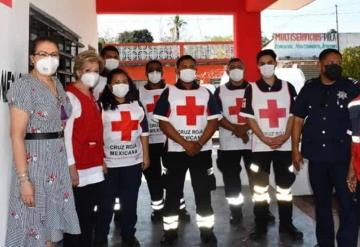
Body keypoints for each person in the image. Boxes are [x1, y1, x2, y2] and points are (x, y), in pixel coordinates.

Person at [5, 36, 80, 247]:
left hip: (56, 162)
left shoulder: (56, 83)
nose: (49, 59)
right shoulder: (23, 86)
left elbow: (63, 121)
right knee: (33, 224)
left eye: (54, 55)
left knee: (51, 231)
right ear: (32, 58)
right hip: (35, 164)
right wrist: (24, 180)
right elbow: (17, 136)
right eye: (43, 54)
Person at [292, 48, 360, 247]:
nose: (335, 66)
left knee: (348, 206)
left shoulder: (352, 87)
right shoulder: (309, 88)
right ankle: (325, 243)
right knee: (321, 205)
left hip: (343, 159)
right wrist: (295, 149)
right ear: (320, 65)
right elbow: (297, 119)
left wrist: (353, 165)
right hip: (317, 159)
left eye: (338, 62)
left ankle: (346, 243)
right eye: (330, 62)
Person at [154, 55, 220, 245]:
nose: (188, 69)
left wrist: (197, 144)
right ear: (176, 70)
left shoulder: (206, 93)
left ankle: (207, 232)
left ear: (196, 69)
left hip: (202, 152)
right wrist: (186, 143)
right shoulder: (169, 92)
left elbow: (214, 121)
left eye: (192, 66)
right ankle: (170, 234)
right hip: (174, 153)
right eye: (184, 66)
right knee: (173, 195)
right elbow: (163, 123)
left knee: (203, 194)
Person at [240, 49, 303, 241]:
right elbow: (249, 119)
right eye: (262, 62)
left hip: (284, 147)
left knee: (284, 189)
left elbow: (294, 116)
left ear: (275, 63)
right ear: (258, 66)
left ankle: (286, 225)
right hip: (260, 148)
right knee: (260, 191)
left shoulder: (288, 87)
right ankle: (260, 226)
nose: (266, 65)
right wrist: (265, 138)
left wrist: (285, 136)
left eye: (269, 61)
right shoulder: (251, 89)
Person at [94, 68, 150, 247]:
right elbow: (95, 135)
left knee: (130, 202)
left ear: (130, 84)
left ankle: (128, 234)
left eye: (124, 81)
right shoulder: (100, 106)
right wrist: (99, 159)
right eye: (116, 82)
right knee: (105, 204)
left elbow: (144, 132)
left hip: (132, 163)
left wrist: (146, 157)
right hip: (108, 164)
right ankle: (101, 237)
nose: (121, 85)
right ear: (109, 86)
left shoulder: (137, 105)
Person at [139, 59, 190, 223]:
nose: (155, 73)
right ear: (146, 74)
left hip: (170, 142)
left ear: (162, 72)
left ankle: (179, 208)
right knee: (153, 178)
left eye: (157, 70)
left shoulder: (172, 91)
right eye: (151, 70)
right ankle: (158, 210)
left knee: (174, 178)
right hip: (148, 143)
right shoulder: (139, 93)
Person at [63, 50, 105, 247]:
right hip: (79, 167)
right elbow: (66, 134)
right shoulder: (71, 97)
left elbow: (96, 133)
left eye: (96, 71)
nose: (92, 74)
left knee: (89, 217)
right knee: (78, 219)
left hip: (93, 166)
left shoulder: (92, 96)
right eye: (88, 70)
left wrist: (101, 160)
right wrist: (71, 166)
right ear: (78, 72)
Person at [214, 58, 252, 224]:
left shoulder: (254, 89)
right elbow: (217, 116)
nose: (236, 70)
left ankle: (262, 212)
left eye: (239, 67)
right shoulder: (220, 91)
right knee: (231, 181)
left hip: (253, 143)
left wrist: (245, 129)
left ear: (244, 69)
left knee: (258, 180)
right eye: (233, 67)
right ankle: (235, 213)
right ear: (227, 71)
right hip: (228, 145)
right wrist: (237, 129)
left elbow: (259, 113)